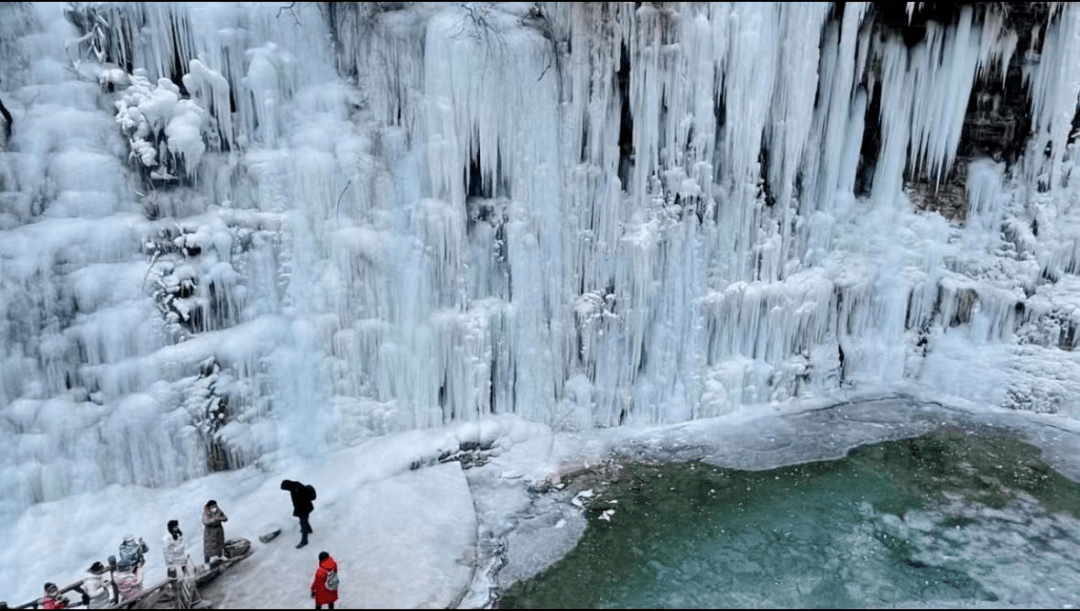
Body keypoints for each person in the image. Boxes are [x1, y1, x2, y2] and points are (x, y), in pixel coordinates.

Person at [281, 479, 317, 549]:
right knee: (304, 522)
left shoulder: (298, 489)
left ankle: (304, 541)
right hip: (301, 509)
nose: (286, 490)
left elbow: (303, 501)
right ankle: (309, 530)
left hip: (304, 509)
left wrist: (300, 511)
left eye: (285, 489)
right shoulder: (293, 487)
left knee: (303, 524)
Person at [202, 499, 228, 566]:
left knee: (220, 544)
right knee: (209, 547)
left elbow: (225, 518)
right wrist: (215, 519)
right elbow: (205, 521)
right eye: (212, 507)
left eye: (215, 507)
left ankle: (220, 556)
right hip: (210, 532)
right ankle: (206, 563)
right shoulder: (205, 513)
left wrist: (221, 518)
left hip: (218, 530)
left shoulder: (219, 511)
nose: (214, 508)